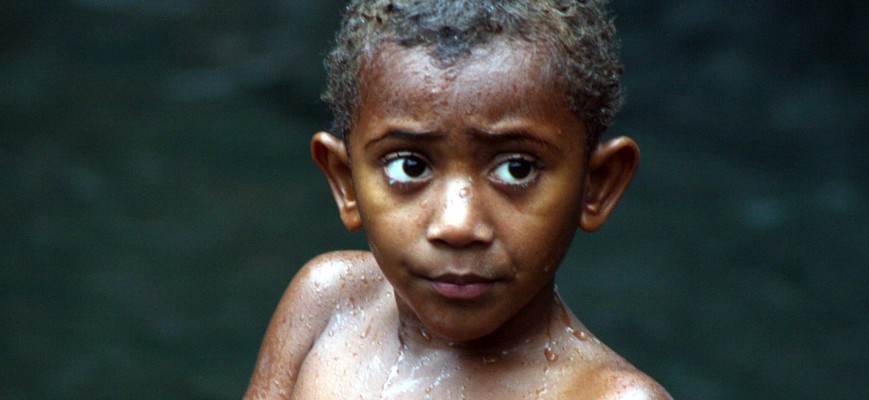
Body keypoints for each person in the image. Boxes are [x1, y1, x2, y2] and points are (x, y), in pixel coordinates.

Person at [245, 0, 671, 398]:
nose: (458, 224)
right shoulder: (328, 304)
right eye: (409, 167)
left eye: (516, 169)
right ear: (345, 181)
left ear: (597, 185)